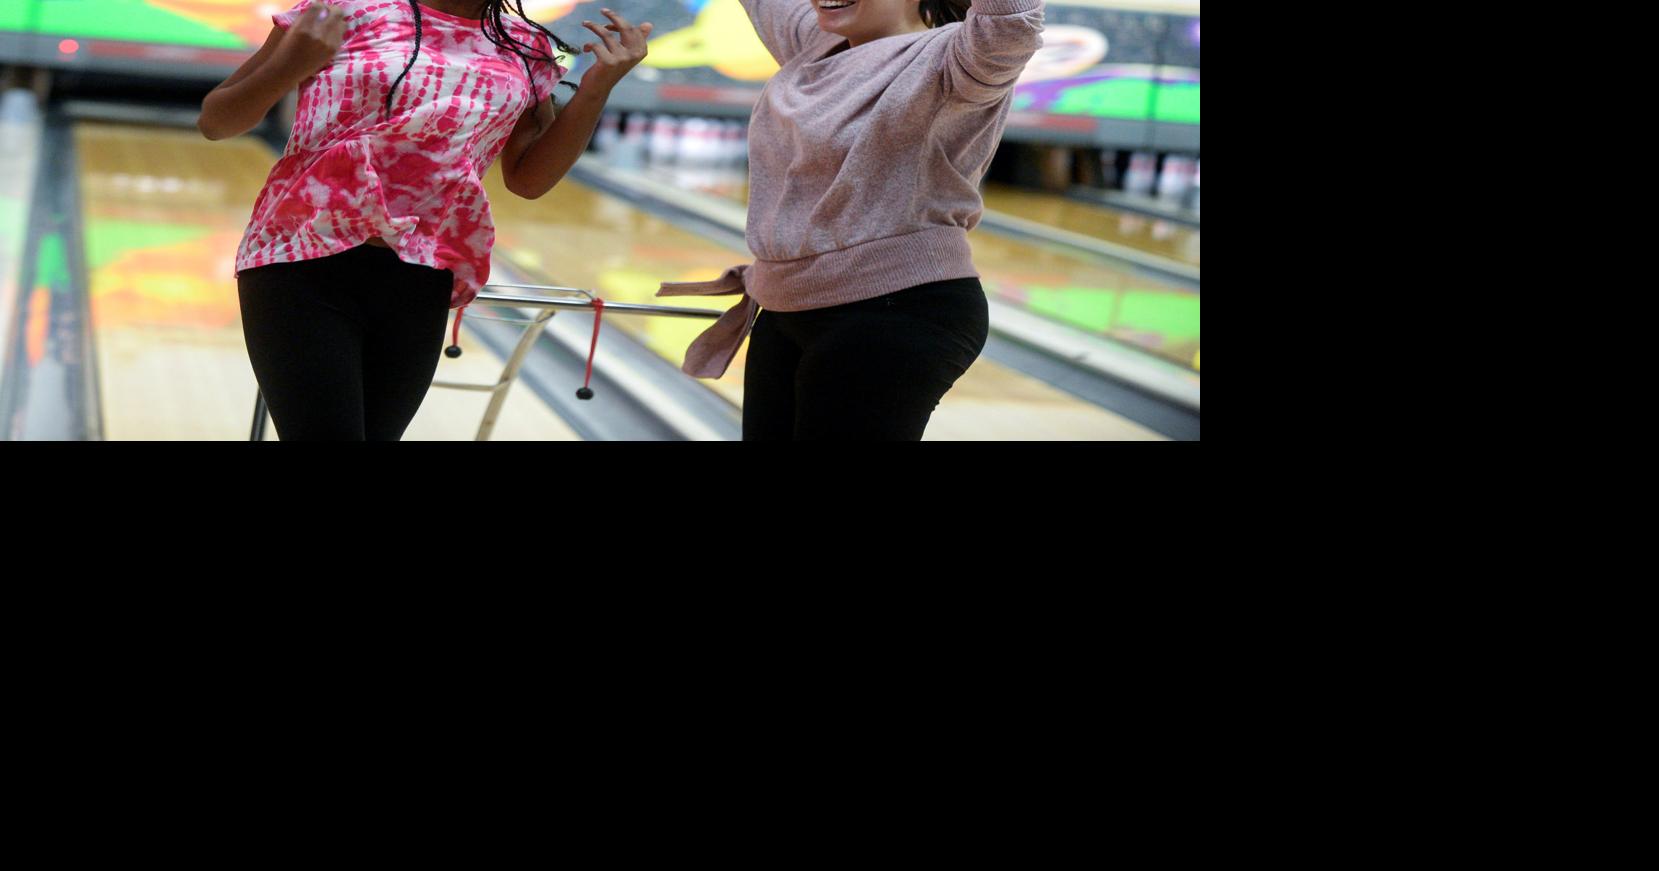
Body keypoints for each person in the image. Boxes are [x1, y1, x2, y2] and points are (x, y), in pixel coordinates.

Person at [199, 0, 651, 439]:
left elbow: (529, 180)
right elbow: (217, 121)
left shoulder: (528, 48)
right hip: (300, 259)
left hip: (421, 277)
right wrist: (290, 64)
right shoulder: (343, 10)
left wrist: (597, 88)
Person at [658, 0, 1045, 440]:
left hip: (896, 312)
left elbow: (1012, 20)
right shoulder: (815, 41)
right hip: (787, 308)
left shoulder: (959, 59)